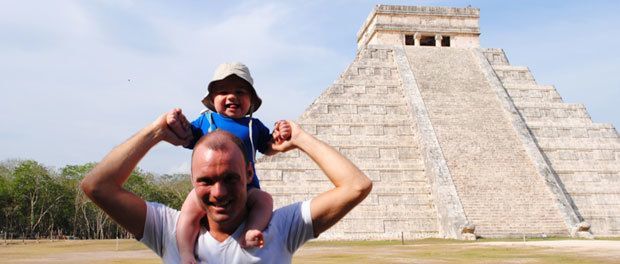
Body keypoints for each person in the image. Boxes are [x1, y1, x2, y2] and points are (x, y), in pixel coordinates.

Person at [80, 109, 372, 263]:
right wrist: (155, 132)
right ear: (192, 181)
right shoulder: (170, 230)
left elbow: (357, 185)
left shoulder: (279, 228)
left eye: (230, 178)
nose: (218, 193)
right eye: (205, 181)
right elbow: (96, 186)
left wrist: (300, 138)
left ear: (248, 172)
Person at [167, 62, 291, 263]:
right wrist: (177, 123)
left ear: (250, 100)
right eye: (223, 91)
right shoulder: (205, 121)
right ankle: (186, 252)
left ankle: (251, 231)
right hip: (210, 189)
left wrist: (281, 135)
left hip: (247, 187)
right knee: (188, 212)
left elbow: (269, 147)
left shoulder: (254, 125)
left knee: (265, 200)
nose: (232, 96)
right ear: (212, 99)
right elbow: (187, 137)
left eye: (240, 92)